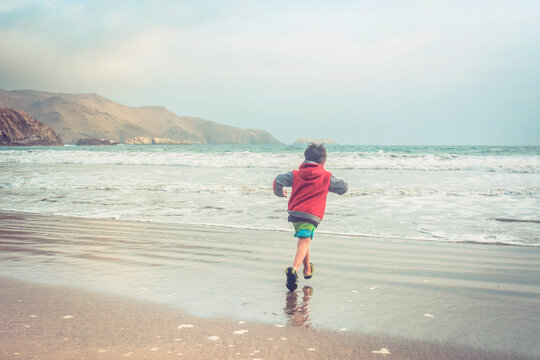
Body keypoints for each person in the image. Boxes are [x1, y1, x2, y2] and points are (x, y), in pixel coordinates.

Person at [273, 143, 348, 291]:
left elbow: (278, 180)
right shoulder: (326, 176)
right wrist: (337, 186)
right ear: (323, 162)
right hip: (311, 215)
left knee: (304, 240)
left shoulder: (295, 174)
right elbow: (343, 188)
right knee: (304, 241)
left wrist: (279, 192)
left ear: (305, 158)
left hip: (295, 213)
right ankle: (294, 268)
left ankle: (307, 269)